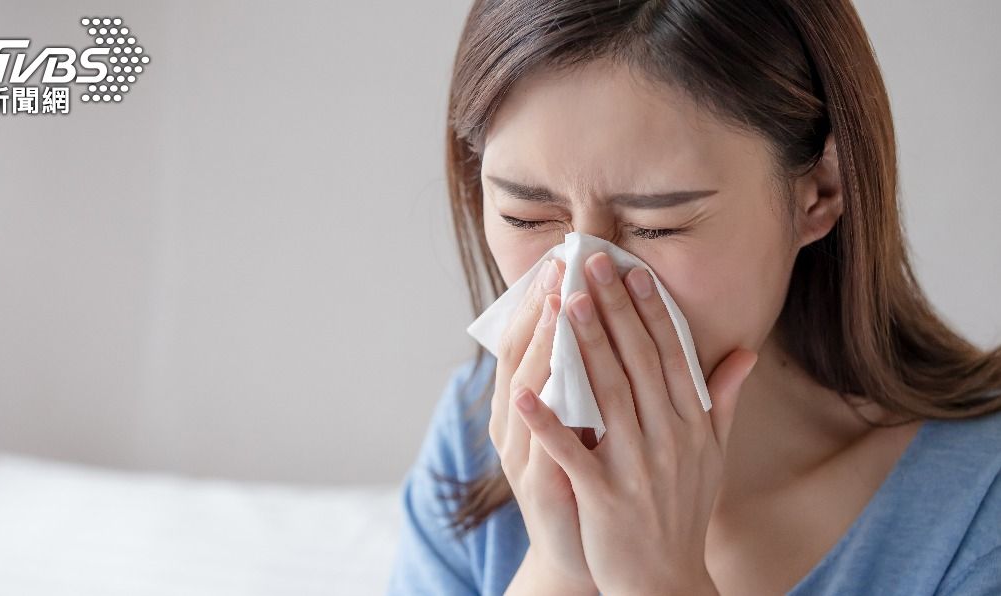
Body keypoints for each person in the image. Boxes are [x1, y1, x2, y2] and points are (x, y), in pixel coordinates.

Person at [387, 1, 1001, 594]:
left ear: (820, 190)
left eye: (658, 226)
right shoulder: (475, 439)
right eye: (526, 214)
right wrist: (562, 572)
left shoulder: (975, 513)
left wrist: (657, 582)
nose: (582, 285)